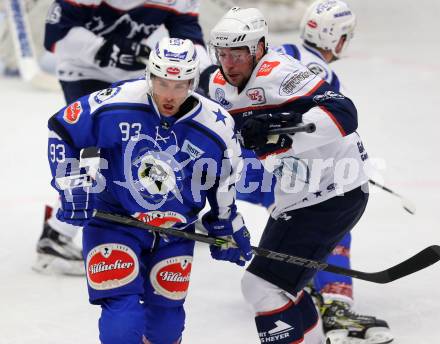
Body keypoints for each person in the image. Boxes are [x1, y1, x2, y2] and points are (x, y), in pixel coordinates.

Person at [47, 37, 252, 344]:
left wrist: (226, 224)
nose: (169, 94)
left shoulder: (218, 125)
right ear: (150, 76)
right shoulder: (117, 102)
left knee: (166, 327)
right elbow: (61, 129)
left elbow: (224, 181)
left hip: (175, 232)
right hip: (114, 223)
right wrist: (72, 185)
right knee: (122, 322)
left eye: (180, 85)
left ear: (193, 82)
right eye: (162, 83)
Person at [205, 6, 389, 344]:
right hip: (297, 192)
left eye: (238, 54)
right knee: (273, 286)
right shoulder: (217, 80)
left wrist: (281, 129)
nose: (229, 64)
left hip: (333, 192)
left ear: (259, 48)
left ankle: (333, 300)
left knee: (261, 286)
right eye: (223, 54)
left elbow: (343, 112)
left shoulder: (281, 73)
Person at [34, 0, 210, 275]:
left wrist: (204, 73)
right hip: (84, 70)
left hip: (136, 76)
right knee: (96, 152)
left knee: (154, 144)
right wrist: (107, 49)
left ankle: (171, 211)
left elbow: (188, 35)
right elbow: (56, 34)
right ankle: (56, 233)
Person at [274, 1, 393, 343]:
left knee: (306, 219)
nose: (345, 43)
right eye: (344, 36)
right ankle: (337, 305)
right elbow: (312, 129)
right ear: (332, 37)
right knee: (332, 213)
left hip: (242, 162)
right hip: (276, 165)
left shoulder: (283, 51)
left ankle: (305, 274)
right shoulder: (321, 74)